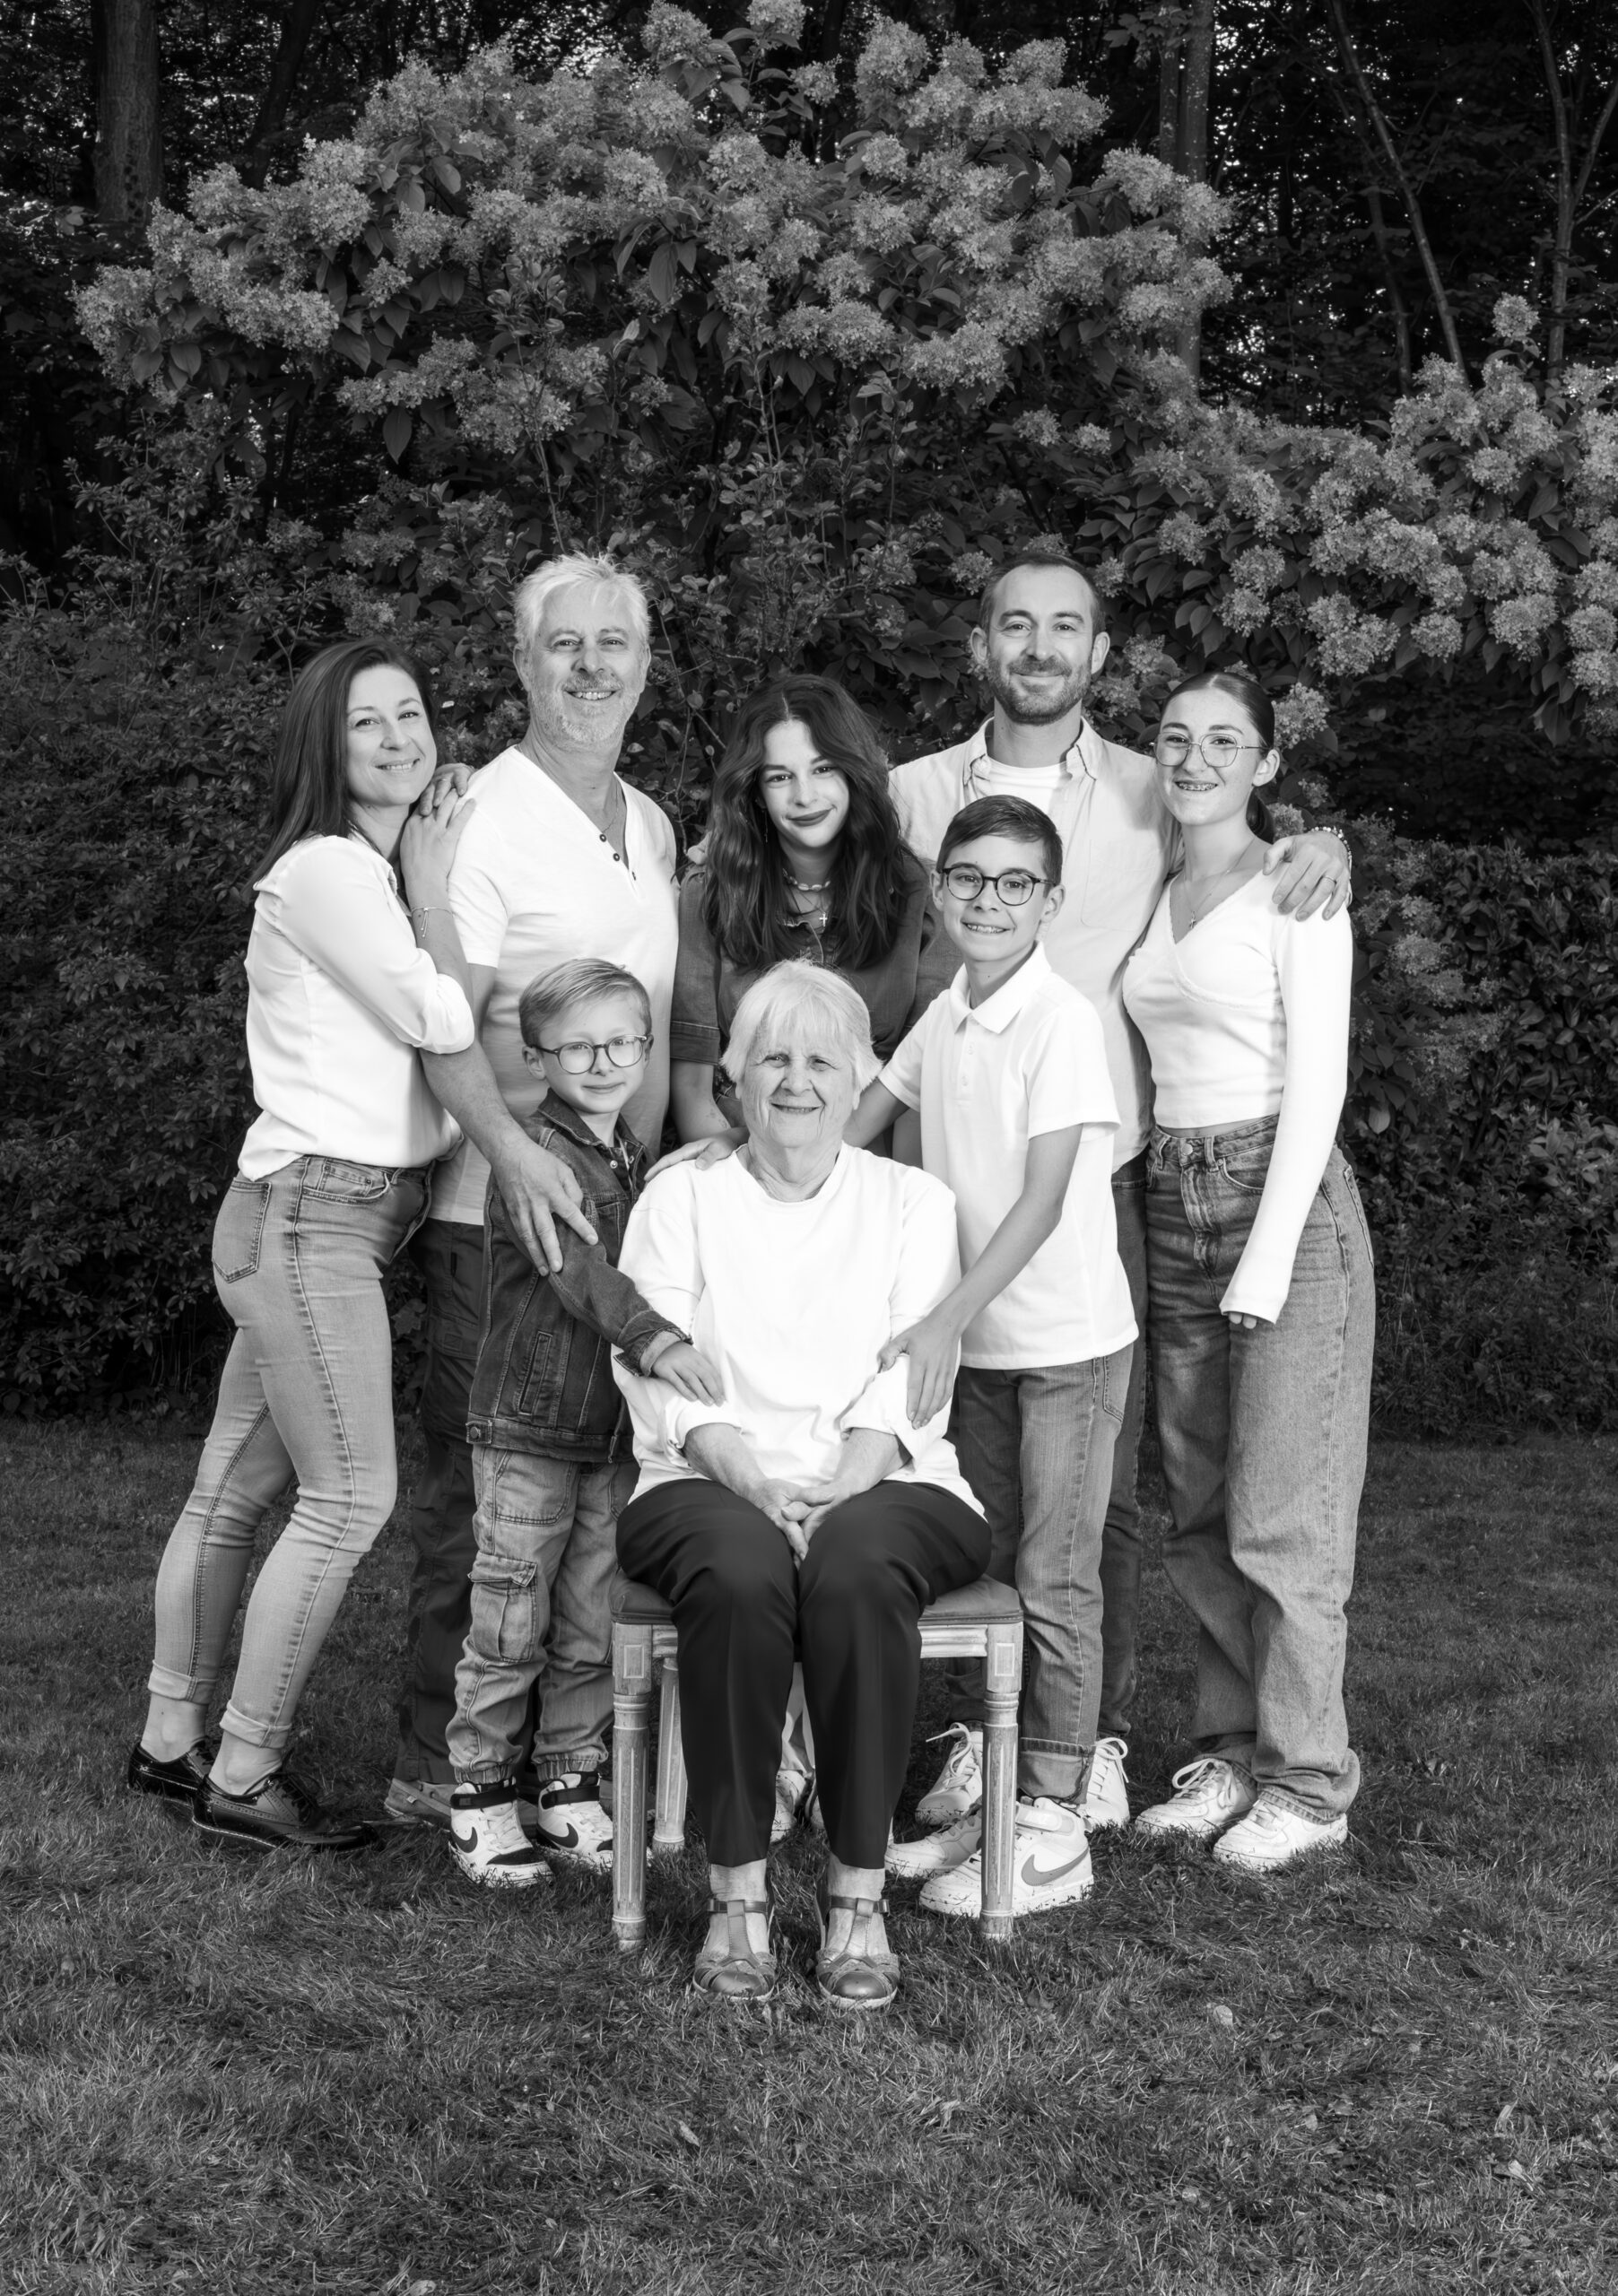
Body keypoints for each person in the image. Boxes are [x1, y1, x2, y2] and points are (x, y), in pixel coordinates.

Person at [886, 551, 1353, 1835]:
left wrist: (1325, 841)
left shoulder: (1153, 787)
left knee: (1124, 1487)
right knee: (1048, 1481)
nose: (1040, 647)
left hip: (1122, 1175)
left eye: (1067, 628)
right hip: (980, 1182)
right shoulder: (911, 792)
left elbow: (1254, 826)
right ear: (981, 646)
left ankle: (1099, 1745)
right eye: (1015, 625)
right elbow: (786, 850)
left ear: (1098, 655)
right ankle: (1066, 1732)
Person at [129, 639, 478, 1851]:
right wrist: (435, 886)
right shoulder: (330, 869)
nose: (397, 737)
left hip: (313, 1212)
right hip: (314, 1219)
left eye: (410, 713)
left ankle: (170, 1741)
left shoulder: (360, 876)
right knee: (350, 1497)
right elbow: (441, 1015)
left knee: (234, 1492)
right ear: (322, 747)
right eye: (365, 721)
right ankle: (245, 1769)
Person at [613, 965, 989, 2012]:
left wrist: (836, 1487)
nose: (795, 1080)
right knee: (739, 1573)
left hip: (888, 1475)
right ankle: (733, 1899)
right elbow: (652, 1360)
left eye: (822, 1060)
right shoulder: (681, 1196)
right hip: (702, 1475)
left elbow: (911, 1376)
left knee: (854, 1566)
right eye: (772, 1057)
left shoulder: (912, 1202)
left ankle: (856, 1896)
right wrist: (749, 1476)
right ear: (734, 1076)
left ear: (859, 1078)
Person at [386, 554, 681, 1832]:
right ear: (521, 661)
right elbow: (441, 1019)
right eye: (565, 643)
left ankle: (560, 1764)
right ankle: (433, 1767)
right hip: (493, 1217)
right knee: (482, 1502)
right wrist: (511, 1154)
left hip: (618, 1219)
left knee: (592, 1504)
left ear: (645, 665)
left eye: (615, 643)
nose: (591, 665)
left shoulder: (650, 823)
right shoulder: (480, 818)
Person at [841, 796, 1136, 1918]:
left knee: (1056, 1574)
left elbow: (1043, 1201)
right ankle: (1003, 1793)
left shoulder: (1062, 1020)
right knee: (996, 1568)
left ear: (1050, 901)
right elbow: (853, 1122)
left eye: (1016, 883)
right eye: (968, 876)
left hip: (1064, 1344)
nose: (989, 900)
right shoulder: (947, 1010)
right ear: (940, 888)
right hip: (981, 1348)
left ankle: (1054, 1820)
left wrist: (939, 1319)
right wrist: (731, 1168)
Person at [1121, 669, 1374, 1872]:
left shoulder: (1298, 889)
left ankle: (1310, 1784)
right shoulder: (1152, 885)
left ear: (1267, 764)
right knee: (1199, 1512)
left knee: (1283, 1516)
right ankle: (1231, 1754)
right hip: (1172, 1198)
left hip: (1282, 1202)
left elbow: (1319, 1083)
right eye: (1177, 737)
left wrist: (1264, 1265)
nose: (1196, 758)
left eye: (1226, 741)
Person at [446, 960, 722, 1887]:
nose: (603, 1063)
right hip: (529, 1429)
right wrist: (655, 1338)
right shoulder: (535, 1157)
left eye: (622, 1043)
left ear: (647, 1048)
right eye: (577, 1048)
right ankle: (482, 1794)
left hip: (612, 1435)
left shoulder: (636, 1158)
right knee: (510, 1616)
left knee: (591, 1621)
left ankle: (568, 1783)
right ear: (535, 1058)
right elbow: (576, 1271)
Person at [670, 674, 953, 1144]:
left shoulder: (920, 891)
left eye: (823, 769)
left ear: (854, 773)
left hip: (873, 1156)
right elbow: (692, 1086)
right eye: (780, 777)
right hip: (740, 1149)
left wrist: (827, 1169)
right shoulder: (711, 891)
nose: (804, 796)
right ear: (756, 791)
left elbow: (920, 1071)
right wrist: (749, 1165)